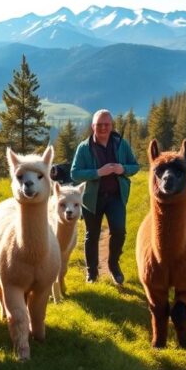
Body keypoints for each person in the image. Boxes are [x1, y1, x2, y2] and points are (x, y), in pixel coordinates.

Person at [70, 109, 140, 285]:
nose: (102, 128)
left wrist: (122, 169)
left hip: (115, 197)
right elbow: (74, 173)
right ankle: (92, 273)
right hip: (91, 199)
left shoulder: (120, 144)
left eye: (106, 124)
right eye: (99, 125)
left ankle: (113, 265)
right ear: (93, 126)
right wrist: (97, 172)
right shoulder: (84, 147)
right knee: (91, 235)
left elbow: (135, 166)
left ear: (111, 126)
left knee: (119, 231)